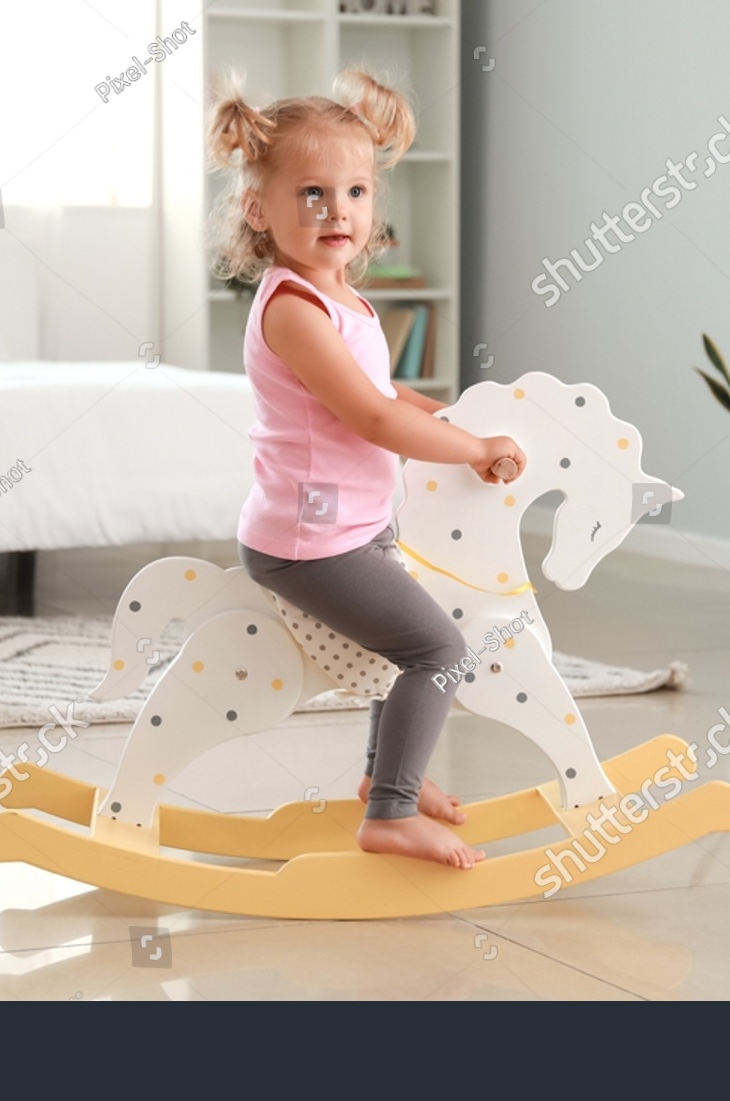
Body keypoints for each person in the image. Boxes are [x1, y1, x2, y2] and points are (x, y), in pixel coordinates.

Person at [208, 67, 527, 869]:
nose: (336, 212)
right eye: (310, 193)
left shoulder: (342, 296)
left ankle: (389, 777)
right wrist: (474, 450)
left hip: (351, 526)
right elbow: (374, 418)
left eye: (354, 192)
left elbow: (388, 394)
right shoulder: (292, 308)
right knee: (439, 650)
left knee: (407, 646)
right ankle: (388, 813)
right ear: (259, 209)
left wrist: (452, 418)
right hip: (310, 541)